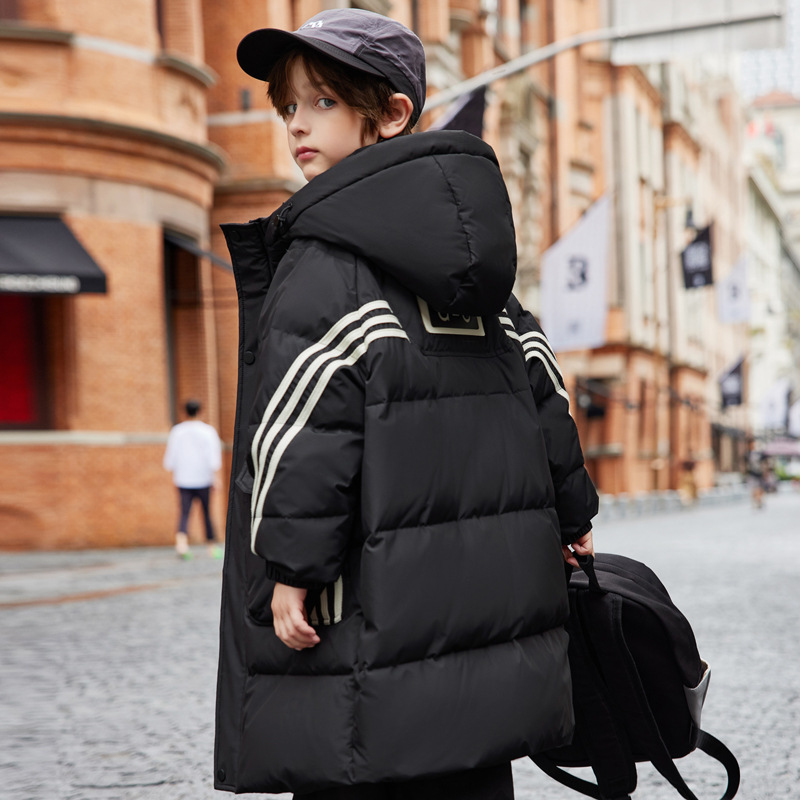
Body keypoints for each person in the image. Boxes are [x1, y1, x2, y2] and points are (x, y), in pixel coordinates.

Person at [215, 9, 598, 799]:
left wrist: (290, 568)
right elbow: (543, 388)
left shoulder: (326, 259)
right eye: (289, 106)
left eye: (323, 101)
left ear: (390, 113)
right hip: (487, 622)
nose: (297, 125)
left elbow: (303, 427)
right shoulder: (481, 268)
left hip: (369, 625)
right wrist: (574, 516)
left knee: (359, 760)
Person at [163, 399, 222, 558]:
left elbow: (170, 458)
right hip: (204, 478)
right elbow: (213, 457)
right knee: (207, 513)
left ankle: (181, 545)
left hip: (184, 479)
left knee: (184, 512)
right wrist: (215, 477)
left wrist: (175, 472)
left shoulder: (177, 431)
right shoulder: (208, 431)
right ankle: (211, 547)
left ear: (185, 412)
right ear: (200, 411)